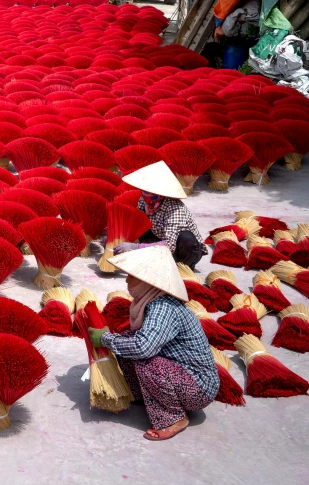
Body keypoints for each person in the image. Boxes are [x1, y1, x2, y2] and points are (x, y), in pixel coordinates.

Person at [89, 245, 218, 441]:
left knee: (144, 359)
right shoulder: (152, 301)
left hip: (198, 388)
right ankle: (142, 395)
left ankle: (174, 418)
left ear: (146, 282)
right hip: (181, 376)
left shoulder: (163, 307)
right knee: (125, 342)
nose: (126, 280)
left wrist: (105, 339)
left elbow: (143, 347)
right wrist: (114, 339)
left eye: (131, 276)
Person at [114, 161, 206, 269]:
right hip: (159, 238)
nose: (145, 194)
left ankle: (183, 267)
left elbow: (170, 245)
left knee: (186, 239)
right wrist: (116, 238)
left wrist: (134, 247)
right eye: (143, 190)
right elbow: (135, 225)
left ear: (160, 193)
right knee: (142, 225)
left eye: (149, 192)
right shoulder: (143, 201)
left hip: (182, 250)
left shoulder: (176, 209)